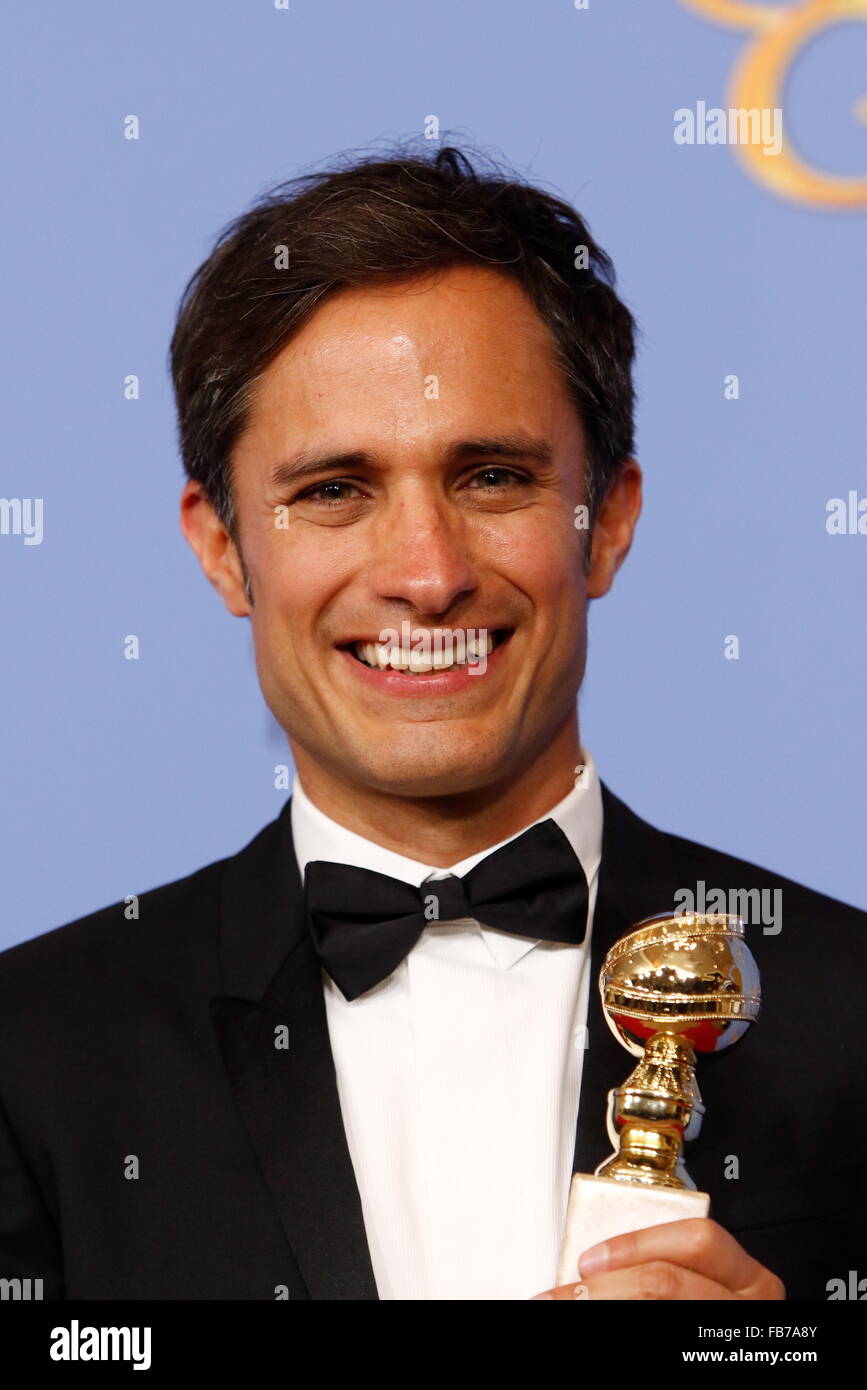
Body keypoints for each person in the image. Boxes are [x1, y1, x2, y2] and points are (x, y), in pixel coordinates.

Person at [0, 146, 862, 1302]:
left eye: (492, 477)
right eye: (334, 490)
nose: (427, 573)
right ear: (222, 548)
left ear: (604, 521)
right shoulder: (34, 1051)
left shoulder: (848, 1010)